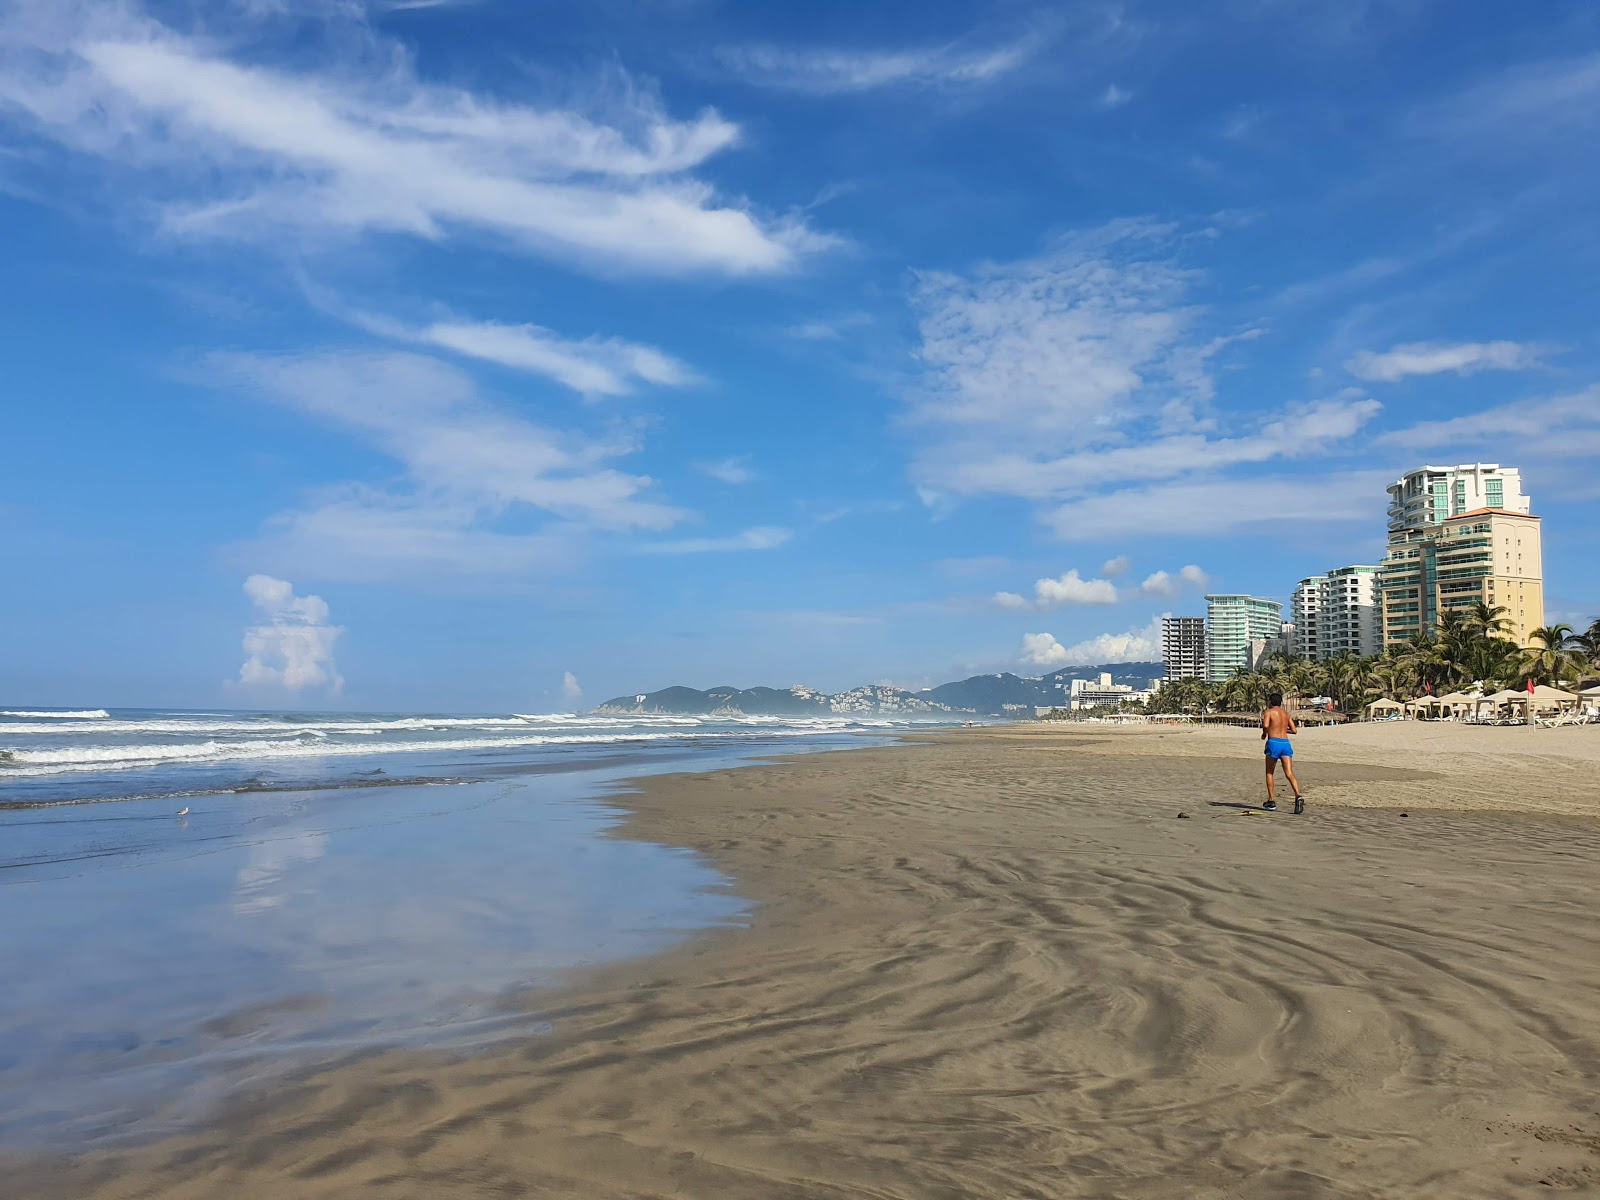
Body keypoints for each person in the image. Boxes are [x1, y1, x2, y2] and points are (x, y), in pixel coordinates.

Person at [1260, 692, 1305, 814]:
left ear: (1270, 702)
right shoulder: (1286, 714)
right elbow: (1294, 730)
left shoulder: (1269, 712)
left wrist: (1265, 733)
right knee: (1289, 773)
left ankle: (1271, 800)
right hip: (1285, 743)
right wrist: (1282, 728)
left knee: (1269, 772)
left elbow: (1266, 725)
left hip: (1274, 742)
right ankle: (1298, 795)